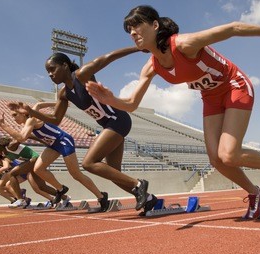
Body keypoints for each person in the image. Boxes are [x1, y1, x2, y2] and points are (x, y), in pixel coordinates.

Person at [85, 5, 260, 219]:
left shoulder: (183, 44)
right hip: (210, 97)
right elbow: (131, 104)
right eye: (128, 29)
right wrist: (110, 100)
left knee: (228, 154)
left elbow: (233, 28)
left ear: (155, 25)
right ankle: (254, 192)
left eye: (136, 25)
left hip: (234, 85)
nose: (132, 32)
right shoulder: (151, 66)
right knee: (216, 159)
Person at [9, 47, 155, 214]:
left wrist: (138, 48)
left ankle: (139, 184)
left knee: (89, 163)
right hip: (108, 125)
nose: (50, 74)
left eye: (52, 69)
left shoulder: (81, 75)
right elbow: (56, 120)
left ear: (64, 65)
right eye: (47, 72)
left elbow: (107, 57)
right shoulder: (64, 93)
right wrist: (31, 112)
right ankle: (149, 198)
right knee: (114, 173)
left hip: (118, 120)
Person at [0, 101, 110, 211]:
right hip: (53, 145)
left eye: (15, 115)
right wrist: (57, 103)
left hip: (63, 141)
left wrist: (2, 125)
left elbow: (21, 137)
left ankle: (101, 196)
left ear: (24, 113)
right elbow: (39, 104)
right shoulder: (30, 117)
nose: (13, 119)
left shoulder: (31, 120)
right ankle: (61, 189)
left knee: (76, 174)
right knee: (38, 169)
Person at [0, 137, 69, 208]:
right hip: (29, 165)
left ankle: (21, 199)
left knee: (11, 174)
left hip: (34, 159)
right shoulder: (1, 152)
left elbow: (21, 137)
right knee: (41, 187)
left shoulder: (10, 146)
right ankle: (65, 199)